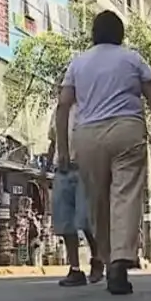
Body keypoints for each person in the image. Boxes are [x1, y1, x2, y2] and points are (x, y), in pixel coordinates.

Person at [56, 10, 151, 294]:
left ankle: (107, 258)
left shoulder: (77, 63)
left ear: (94, 34)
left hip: (87, 136)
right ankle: (120, 259)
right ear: (121, 34)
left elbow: (64, 106)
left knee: (98, 202)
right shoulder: (132, 59)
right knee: (125, 196)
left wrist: (64, 149)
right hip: (126, 131)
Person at [45, 78, 104, 286]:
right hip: (62, 170)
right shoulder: (59, 112)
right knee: (66, 223)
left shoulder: (90, 109)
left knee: (85, 220)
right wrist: (48, 167)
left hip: (84, 169)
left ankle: (97, 259)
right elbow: (52, 139)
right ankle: (75, 269)